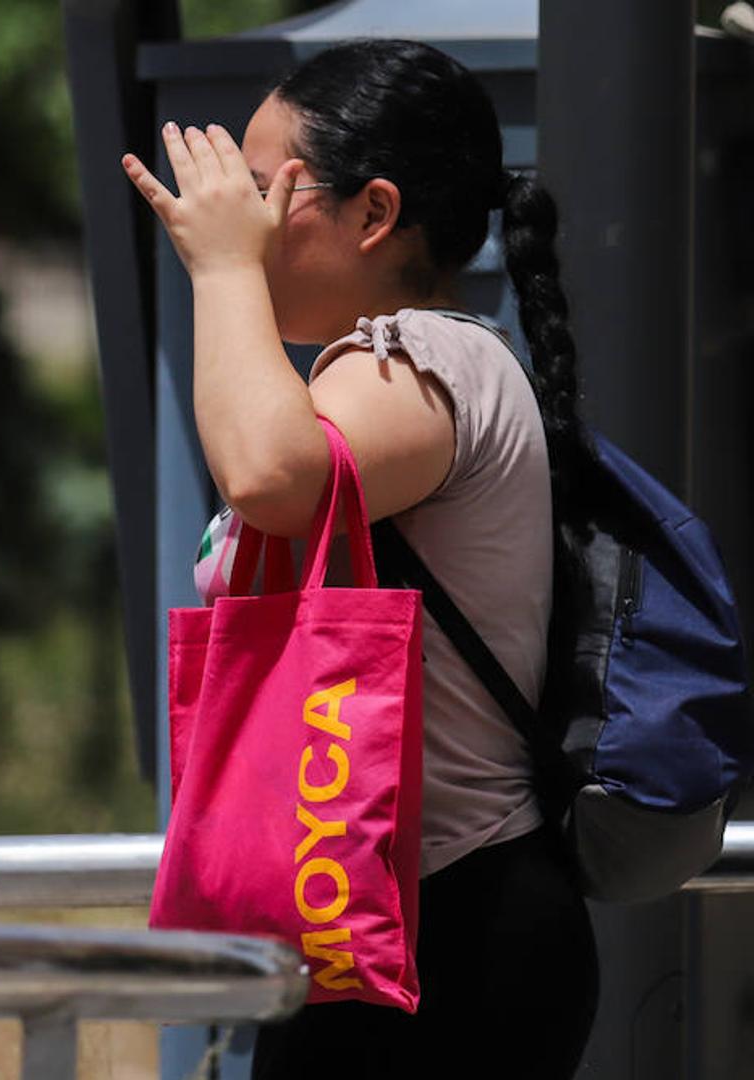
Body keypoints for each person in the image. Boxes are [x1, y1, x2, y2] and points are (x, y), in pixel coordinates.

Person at [122, 38, 599, 1079]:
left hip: (456, 937)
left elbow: (270, 479)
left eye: (259, 194)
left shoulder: (426, 361)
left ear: (374, 215)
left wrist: (219, 270)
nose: (235, 220)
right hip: (370, 921)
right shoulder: (364, 374)